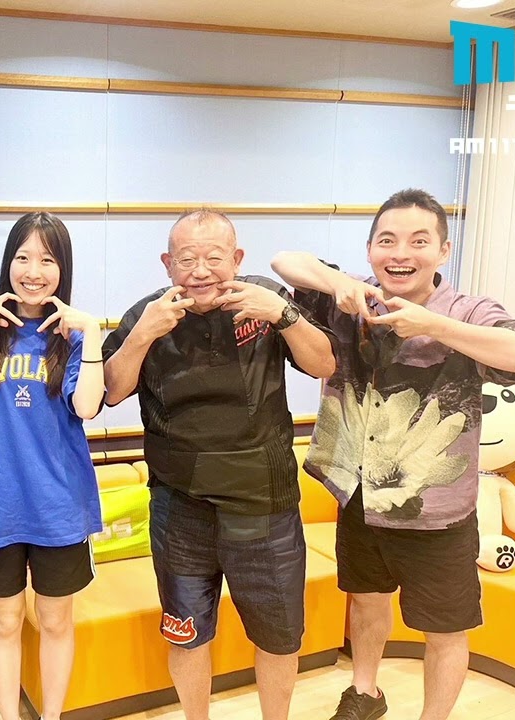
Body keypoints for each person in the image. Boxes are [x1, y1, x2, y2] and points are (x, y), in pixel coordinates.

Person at [270, 188, 515, 720]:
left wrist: (434, 326)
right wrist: (338, 283)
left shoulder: (468, 311)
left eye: (418, 241)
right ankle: (365, 693)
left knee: (445, 629)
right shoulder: (352, 298)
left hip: (437, 512)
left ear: (443, 250)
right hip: (359, 495)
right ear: (369, 250)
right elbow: (284, 260)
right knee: (367, 601)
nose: (400, 253)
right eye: (386, 241)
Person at [102, 209, 336, 720]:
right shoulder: (147, 314)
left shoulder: (265, 300)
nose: (201, 271)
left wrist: (284, 314)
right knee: (186, 634)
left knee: (278, 637)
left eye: (214, 257)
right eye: (187, 259)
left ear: (237, 258)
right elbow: (111, 392)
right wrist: (142, 335)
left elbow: (323, 362)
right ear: (167, 263)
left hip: (264, 506)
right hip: (179, 508)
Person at [0, 212, 105, 720]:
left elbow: (87, 407)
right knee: (5, 621)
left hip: (59, 507)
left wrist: (92, 331)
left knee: (55, 621)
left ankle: (51, 716)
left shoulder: (73, 337)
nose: (34, 271)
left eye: (47, 260)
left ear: (63, 268)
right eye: (23, 258)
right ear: (8, 263)